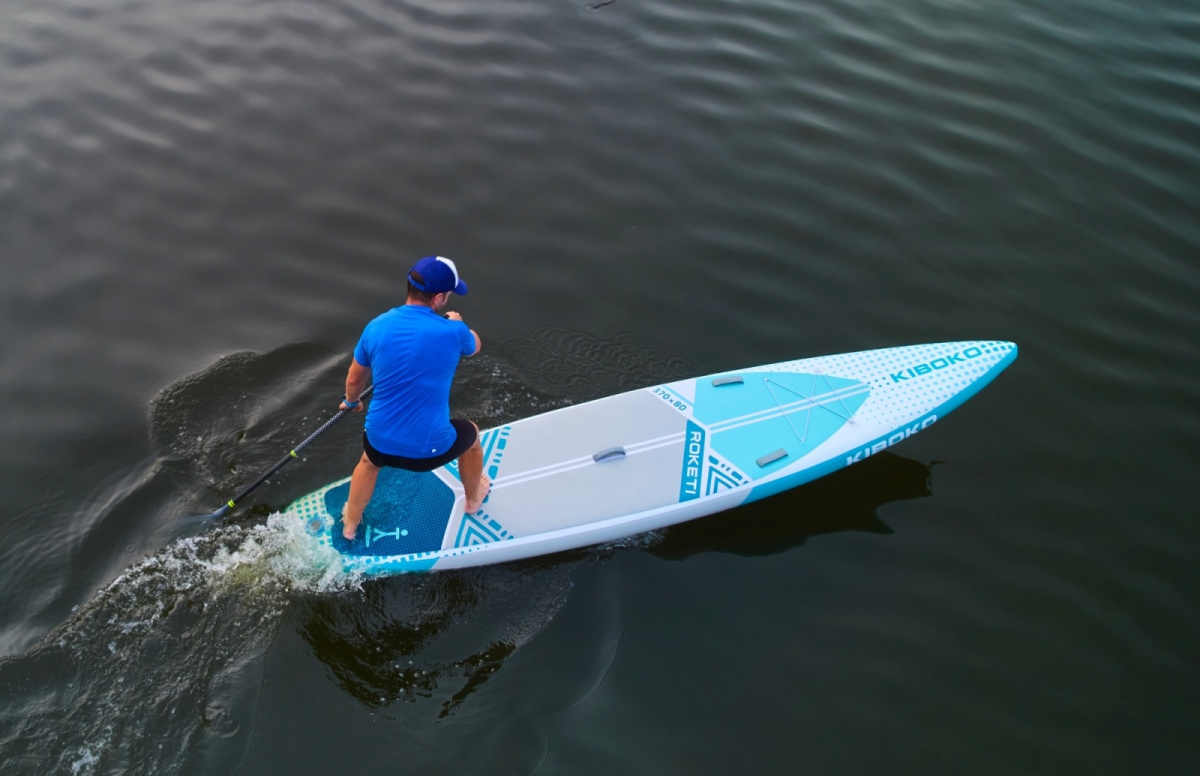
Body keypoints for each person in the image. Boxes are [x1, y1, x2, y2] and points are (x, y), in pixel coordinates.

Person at [338, 255, 489, 541]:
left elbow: (355, 379)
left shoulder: (376, 326)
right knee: (471, 436)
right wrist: (459, 323)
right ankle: (473, 499)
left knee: (369, 462)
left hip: (378, 442)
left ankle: (350, 525)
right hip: (428, 453)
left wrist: (351, 401)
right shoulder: (454, 332)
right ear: (439, 298)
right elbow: (475, 346)